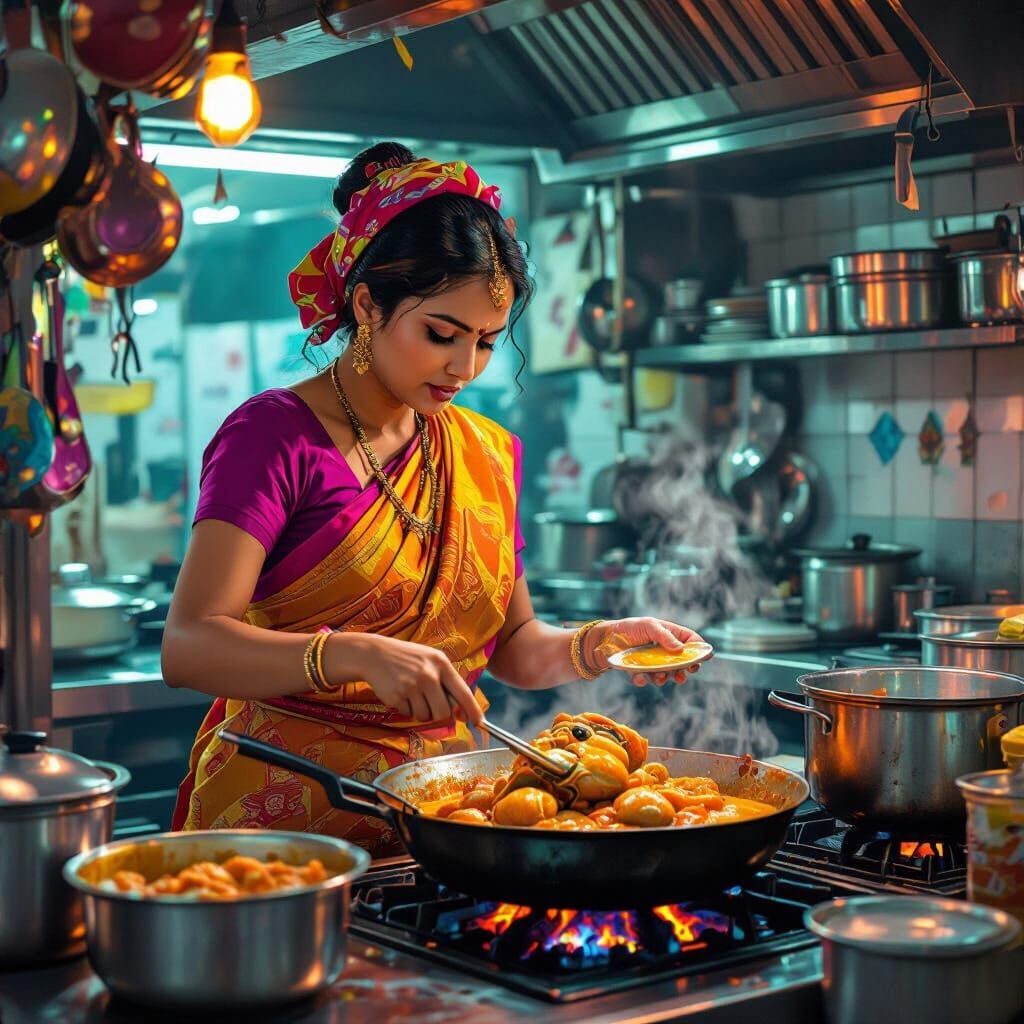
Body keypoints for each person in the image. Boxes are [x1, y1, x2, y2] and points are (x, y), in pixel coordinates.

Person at [164, 143, 705, 854]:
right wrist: (350, 655)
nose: (464, 367)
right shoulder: (273, 438)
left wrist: (597, 644)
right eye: (440, 334)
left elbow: (509, 647)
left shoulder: (484, 451)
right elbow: (190, 645)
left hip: (445, 819)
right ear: (366, 303)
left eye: (484, 342)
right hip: (283, 829)